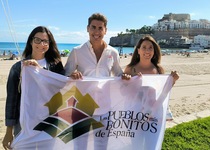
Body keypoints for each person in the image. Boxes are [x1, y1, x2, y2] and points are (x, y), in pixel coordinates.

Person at [2, 26, 65, 150]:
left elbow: (62, 89)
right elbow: (12, 101)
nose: (41, 44)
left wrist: (40, 71)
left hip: (49, 123)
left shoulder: (56, 66)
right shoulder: (18, 68)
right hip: (24, 123)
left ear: (49, 44)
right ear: (31, 41)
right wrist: (9, 130)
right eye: (37, 40)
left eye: (45, 41)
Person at [123, 35, 179, 121]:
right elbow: (123, 91)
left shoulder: (158, 69)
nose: (147, 51)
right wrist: (126, 81)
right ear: (138, 50)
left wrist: (173, 80)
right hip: (134, 113)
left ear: (154, 51)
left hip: (153, 114)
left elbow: (163, 91)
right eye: (144, 47)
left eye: (150, 48)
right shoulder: (130, 69)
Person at [65, 13, 123, 79]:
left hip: (106, 89)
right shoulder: (77, 51)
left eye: (100, 28)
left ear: (105, 31)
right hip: (83, 89)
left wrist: (128, 77)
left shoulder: (113, 52)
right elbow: (65, 75)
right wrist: (72, 75)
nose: (96, 32)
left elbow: (119, 75)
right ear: (88, 28)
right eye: (93, 27)